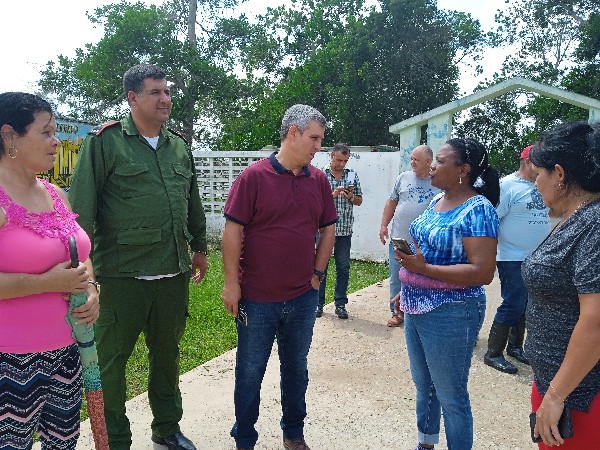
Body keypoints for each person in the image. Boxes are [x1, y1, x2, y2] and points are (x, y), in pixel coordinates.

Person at [69, 64, 208, 450]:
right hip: (121, 276)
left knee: (167, 355)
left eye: (166, 91)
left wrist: (199, 247)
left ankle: (167, 427)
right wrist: (85, 273)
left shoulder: (179, 144)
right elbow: (81, 212)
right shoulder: (105, 144)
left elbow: (190, 201)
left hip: (172, 272)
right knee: (112, 361)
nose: (165, 99)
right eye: (155, 92)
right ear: (132, 98)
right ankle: (115, 438)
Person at [221, 104, 337, 450]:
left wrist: (317, 273)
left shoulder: (317, 180)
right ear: (293, 133)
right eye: (314, 138)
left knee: (296, 371)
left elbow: (328, 228)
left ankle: (293, 433)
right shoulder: (254, 177)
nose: (319, 147)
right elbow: (232, 232)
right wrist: (231, 284)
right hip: (257, 299)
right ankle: (244, 438)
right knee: (250, 372)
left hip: (302, 298)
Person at [0, 92, 99, 449]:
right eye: (45, 132)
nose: (55, 141)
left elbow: (77, 252)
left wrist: (90, 288)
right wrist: (47, 283)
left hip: (67, 353)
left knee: (63, 445)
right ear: (9, 135)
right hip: (10, 362)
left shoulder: (55, 194)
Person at [395, 138, 500, 450]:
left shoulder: (478, 209)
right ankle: (425, 444)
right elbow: (423, 252)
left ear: (463, 170)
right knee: (425, 386)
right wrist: (407, 285)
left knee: (451, 395)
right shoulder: (436, 201)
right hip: (417, 305)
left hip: (453, 311)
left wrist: (423, 271)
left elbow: (483, 272)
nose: (432, 166)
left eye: (440, 161)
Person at [523, 121, 600, 448]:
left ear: (559, 173)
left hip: (580, 395)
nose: (535, 183)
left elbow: (596, 318)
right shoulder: (574, 217)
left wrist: (555, 397)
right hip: (557, 383)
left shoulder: (594, 225)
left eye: (538, 174)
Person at [484, 145, 550, 374]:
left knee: (526, 304)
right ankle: (493, 353)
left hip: (536, 256)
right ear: (528, 162)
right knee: (513, 302)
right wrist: (489, 255)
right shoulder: (507, 186)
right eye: (541, 164)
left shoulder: (541, 185)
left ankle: (515, 347)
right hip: (511, 257)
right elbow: (493, 221)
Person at [379, 145, 440, 327]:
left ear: (428, 162)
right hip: (400, 240)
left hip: (425, 243)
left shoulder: (438, 182)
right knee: (397, 277)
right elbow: (391, 202)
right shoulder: (403, 178)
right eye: (411, 158)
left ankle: (420, 313)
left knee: (423, 278)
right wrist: (383, 225)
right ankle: (397, 313)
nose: (412, 162)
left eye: (416, 159)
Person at [317, 143, 363, 319]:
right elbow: (315, 201)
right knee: (321, 267)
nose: (341, 164)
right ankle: (318, 303)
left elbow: (359, 200)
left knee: (343, 267)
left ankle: (340, 304)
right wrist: (333, 195)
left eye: (345, 161)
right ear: (331, 156)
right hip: (324, 229)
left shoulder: (351, 176)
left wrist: (350, 196)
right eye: (339, 160)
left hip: (344, 229)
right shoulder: (321, 174)